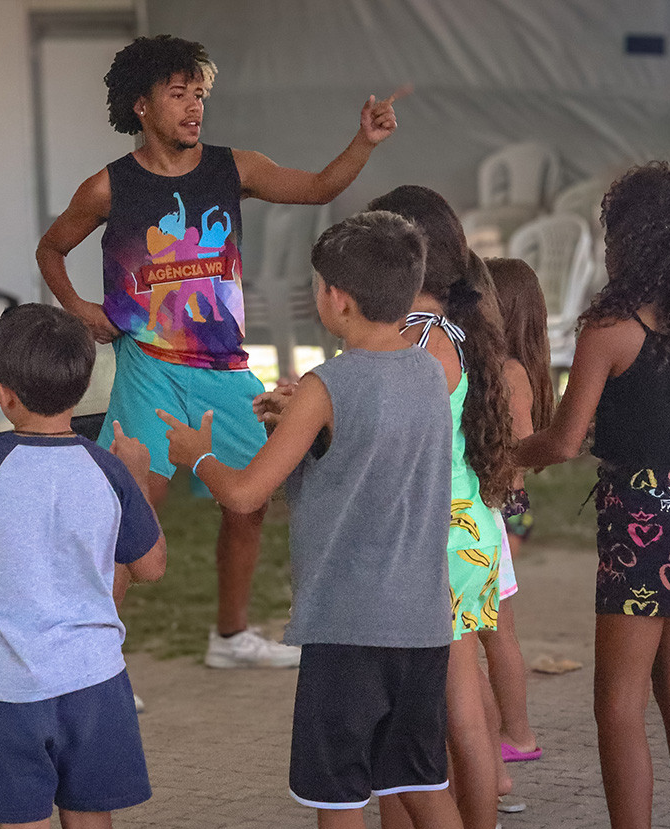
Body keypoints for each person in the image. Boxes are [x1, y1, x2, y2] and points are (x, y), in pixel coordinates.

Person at [36, 34, 402, 668]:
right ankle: (90, 663)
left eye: (199, 94)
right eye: (178, 94)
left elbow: (316, 188)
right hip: (147, 367)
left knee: (250, 497)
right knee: (129, 509)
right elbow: (51, 248)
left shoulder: (235, 167)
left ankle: (231, 639)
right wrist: (78, 307)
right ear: (140, 105)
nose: (194, 107)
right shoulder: (107, 188)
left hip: (224, 367)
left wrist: (363, 143)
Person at [160, 210, 465, 829]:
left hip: (346, 628)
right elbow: (359, 453)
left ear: (336, 299)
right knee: (421, 785)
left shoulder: (328, 385)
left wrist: (198, 456)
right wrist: (293, 420)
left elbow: (245, 494)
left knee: (339, 798)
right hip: (423, 622)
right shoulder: (431, 371)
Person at [517, 162, 670, 829]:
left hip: (643, 518)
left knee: (617, 702)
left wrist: (506, 451)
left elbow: (563, 437)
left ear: (629, 241)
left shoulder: (610, 326)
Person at [0, 302, 165, 829]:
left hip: (7, 685)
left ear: (3, 393)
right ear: (78, 391)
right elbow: (151, 567)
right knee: (93, 825)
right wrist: (140, 482)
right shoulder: (108, 469)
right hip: (96, 680)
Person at [367, 186, 515, 829]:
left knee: (429, 722)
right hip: (470, 530)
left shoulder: (411, 342)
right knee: (467, 721)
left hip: (430, 541)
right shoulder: (458, 330)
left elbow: (390, 449)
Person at [483, 258, 551, 814]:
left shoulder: (507, 372)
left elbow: (523, 446)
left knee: (493, 633)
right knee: (491, 631)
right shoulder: (501, 367)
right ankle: (510, 735)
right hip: (501, 510)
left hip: (502, 511)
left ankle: (516, 737)